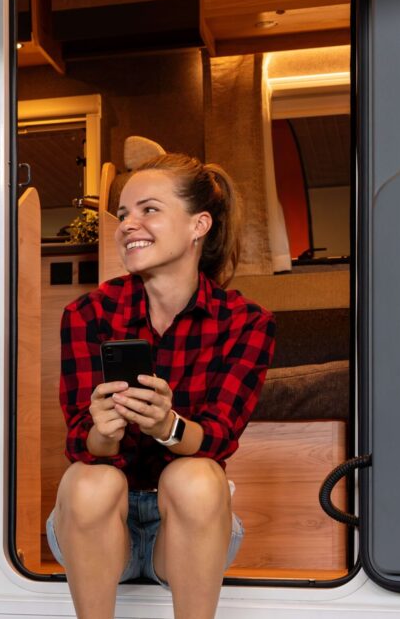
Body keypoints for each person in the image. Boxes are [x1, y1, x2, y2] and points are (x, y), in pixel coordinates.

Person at [46, 153, 276, 619]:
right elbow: (80, 442)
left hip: (189, 532)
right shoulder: (88, 314)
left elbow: (217, 436)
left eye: (148, 209)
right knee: (90, 480)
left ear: (199, 225)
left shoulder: (246, 322)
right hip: (100, 530)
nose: (129, 223)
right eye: (124, 213)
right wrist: (104, 430)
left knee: (196, 474)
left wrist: (167, 426)